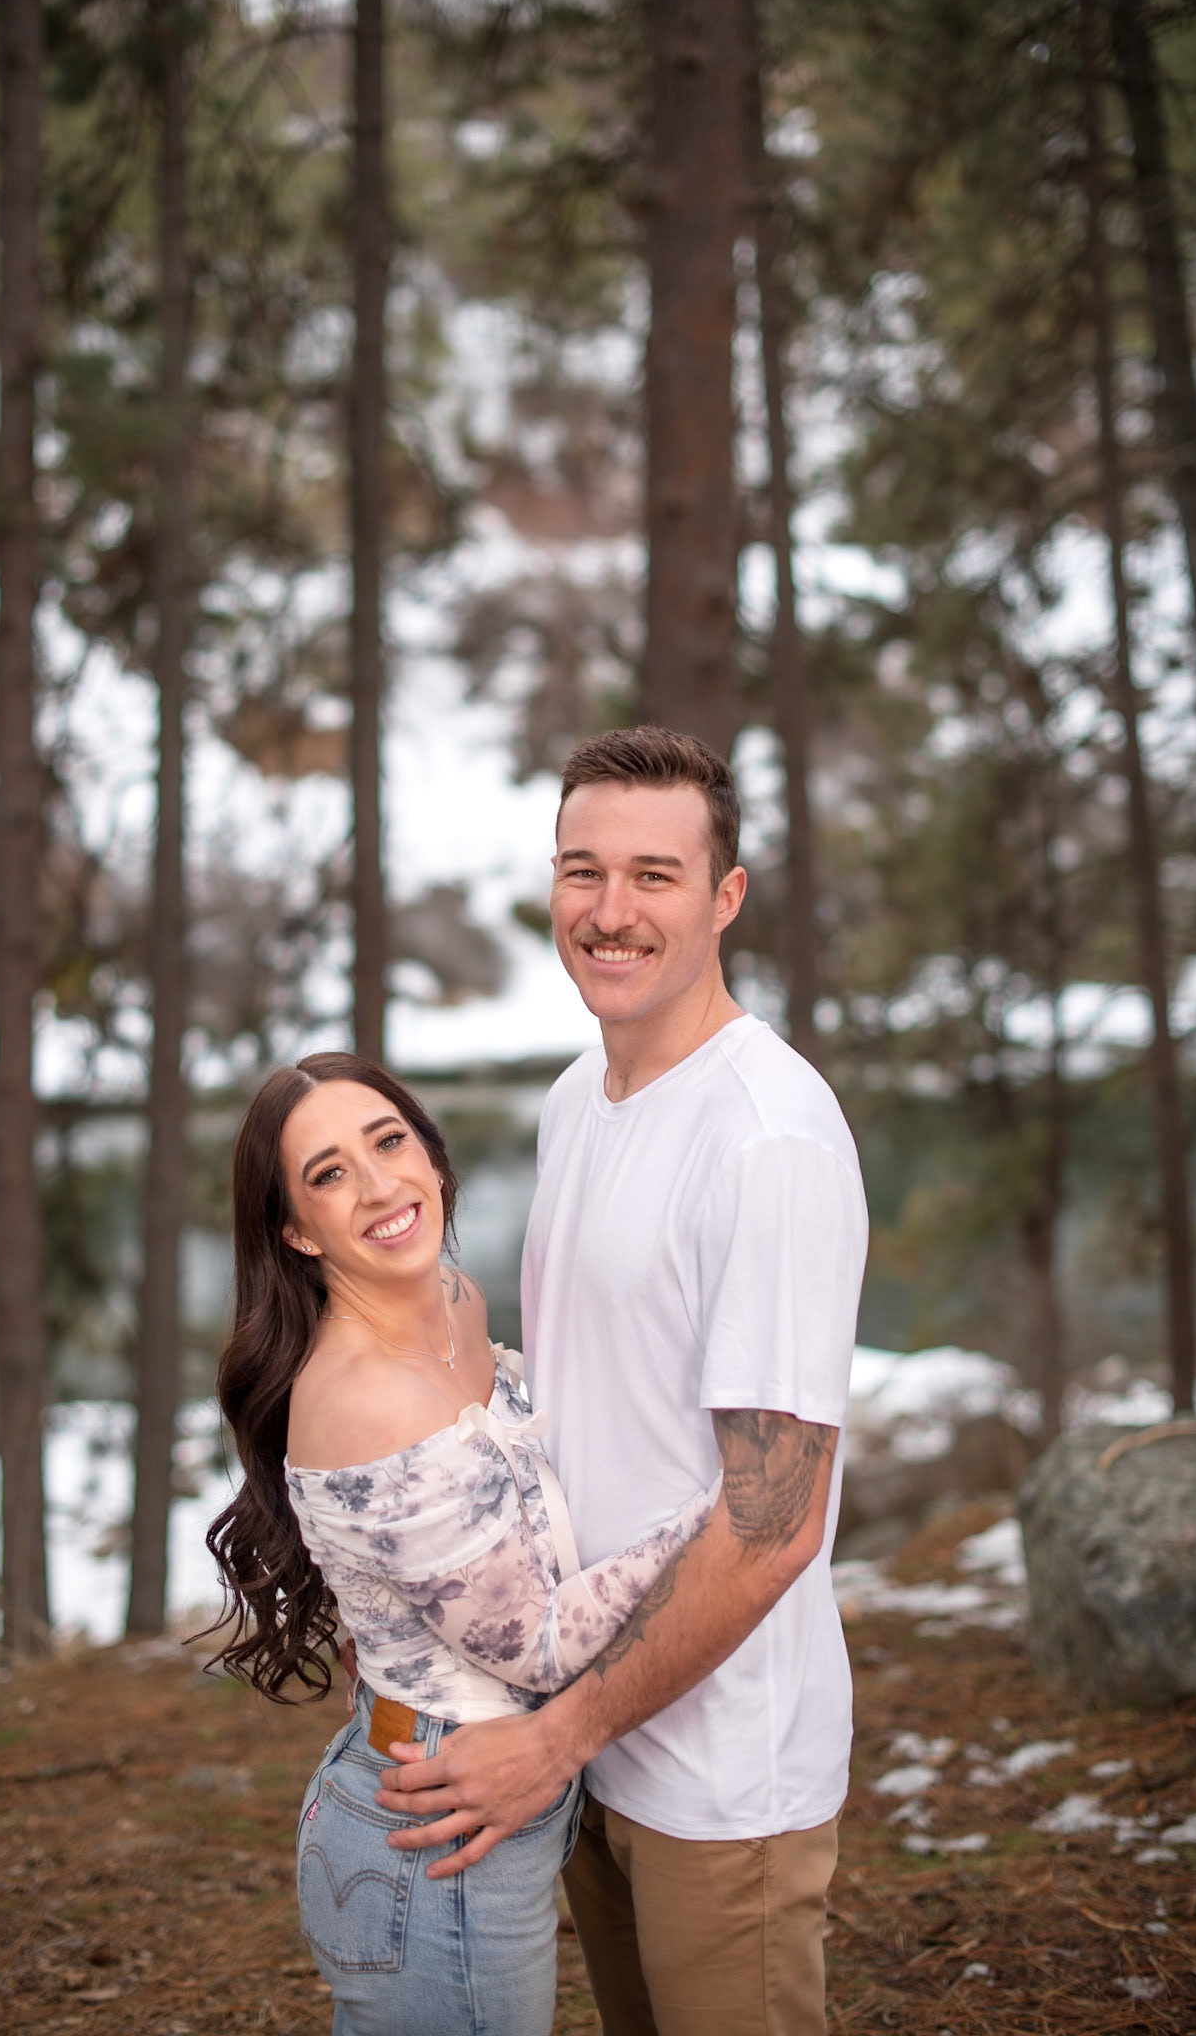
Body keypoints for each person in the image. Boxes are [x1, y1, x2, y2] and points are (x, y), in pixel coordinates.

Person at [375, 726, 869, 2036]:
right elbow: (593, 1396)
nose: (610, 910)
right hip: (589, 1735)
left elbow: (773, 1523)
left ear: (725, 896)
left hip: (718, 1772)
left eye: (655, 875)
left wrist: (558, 1737)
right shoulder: (574, 1101)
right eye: (581, 869)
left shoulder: (766, 1138)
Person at [204, 1050, 717, 2036]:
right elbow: (538, 1643)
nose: (378, 1185)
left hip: (483, 1791)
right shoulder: (366, 1394)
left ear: (433, 1157)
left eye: (388, 1141)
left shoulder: (455, 1302)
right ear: (296, 1230)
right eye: (329, 1173)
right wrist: (725, 1505)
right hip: (432, 1833)